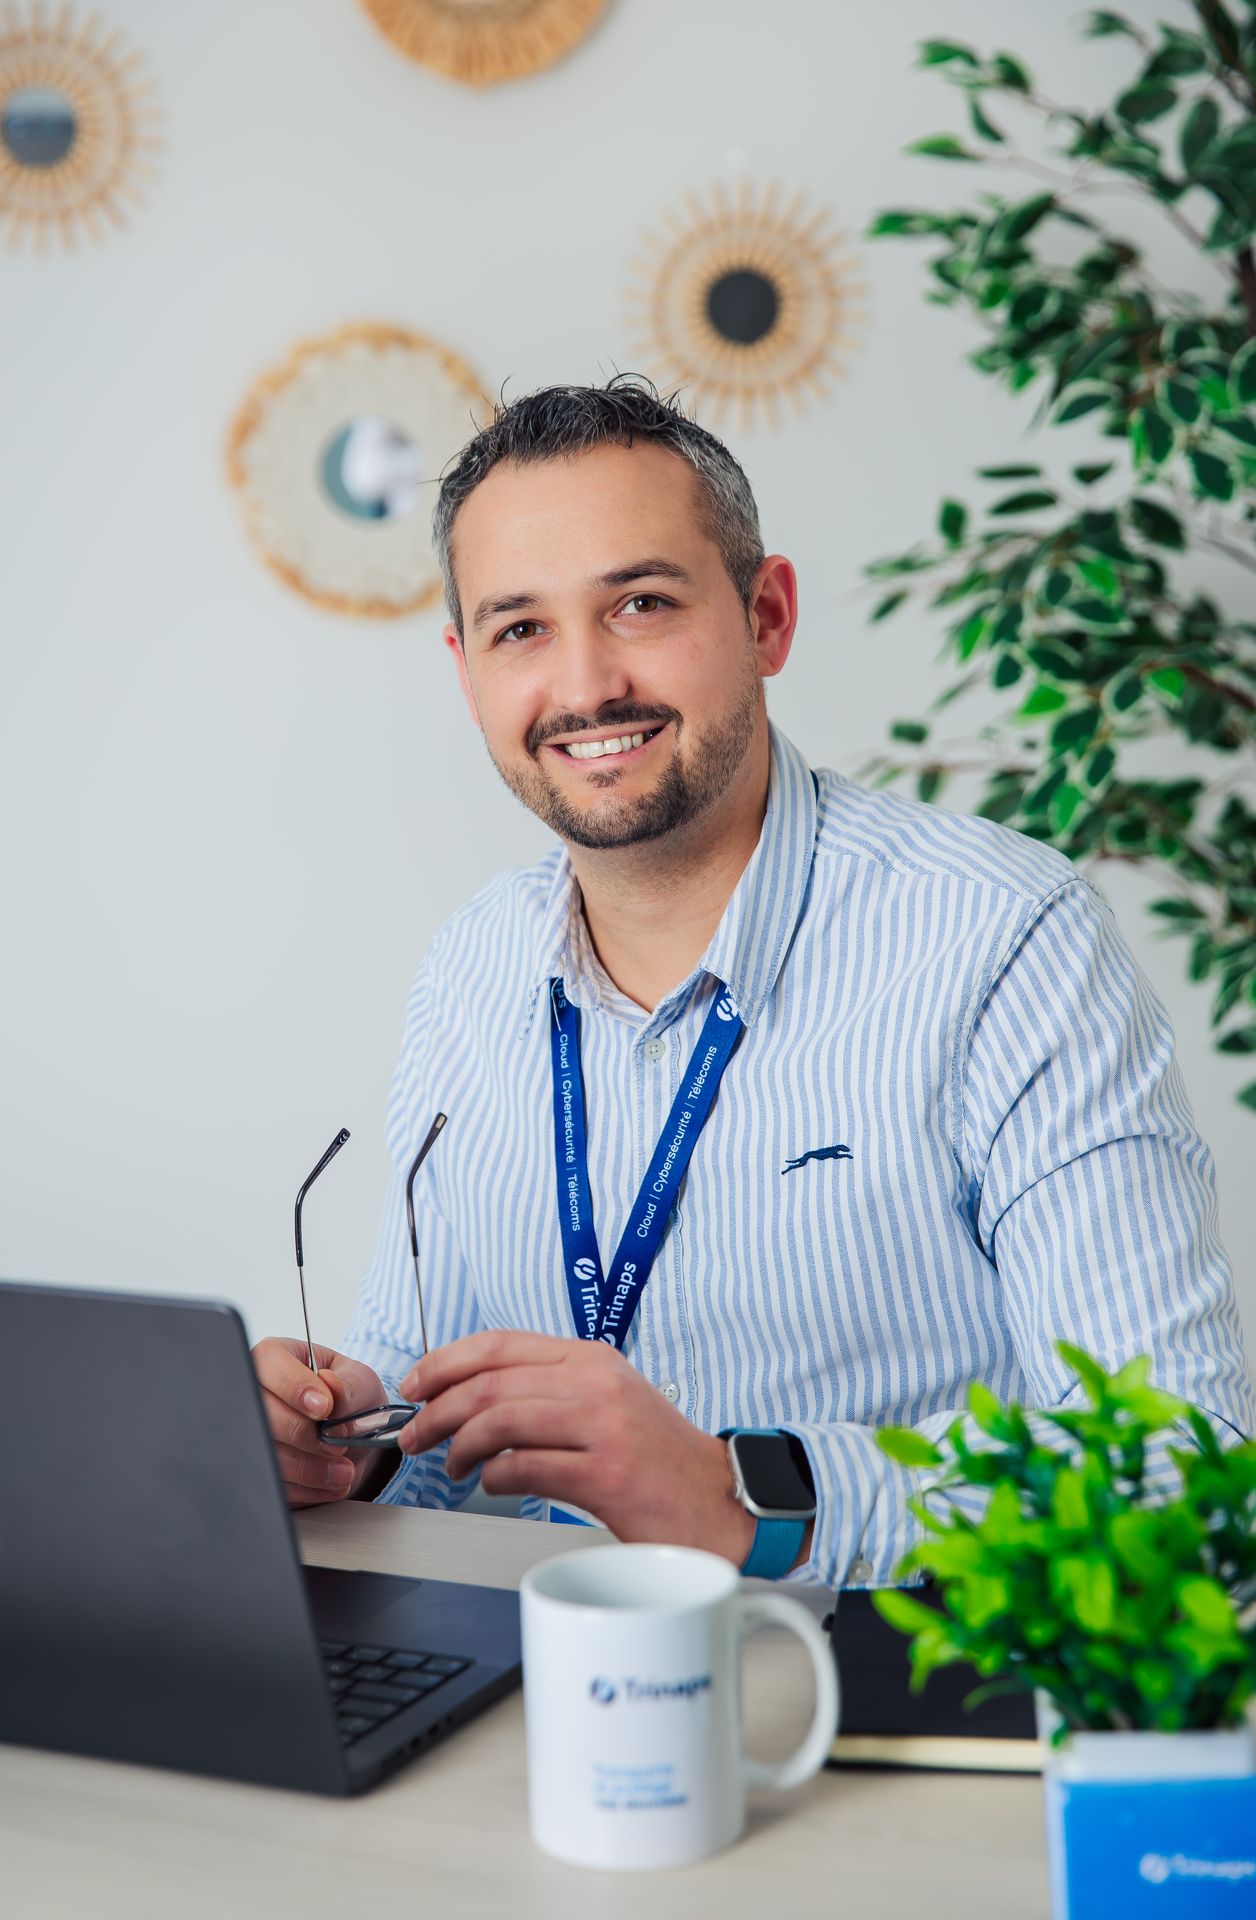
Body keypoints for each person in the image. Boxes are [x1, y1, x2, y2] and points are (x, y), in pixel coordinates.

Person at [251, 377, 1253, 1589]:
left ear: (764, 617)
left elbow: (1178, 1466)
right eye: (520, 629)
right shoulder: (469, 966)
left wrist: (742, 1492)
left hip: (878, 1676)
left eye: (640, 603)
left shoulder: (1005, 939)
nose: (585, 686)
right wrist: (344, 1445)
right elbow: (420, 1402)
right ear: (467, 671)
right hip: (524, 1664)